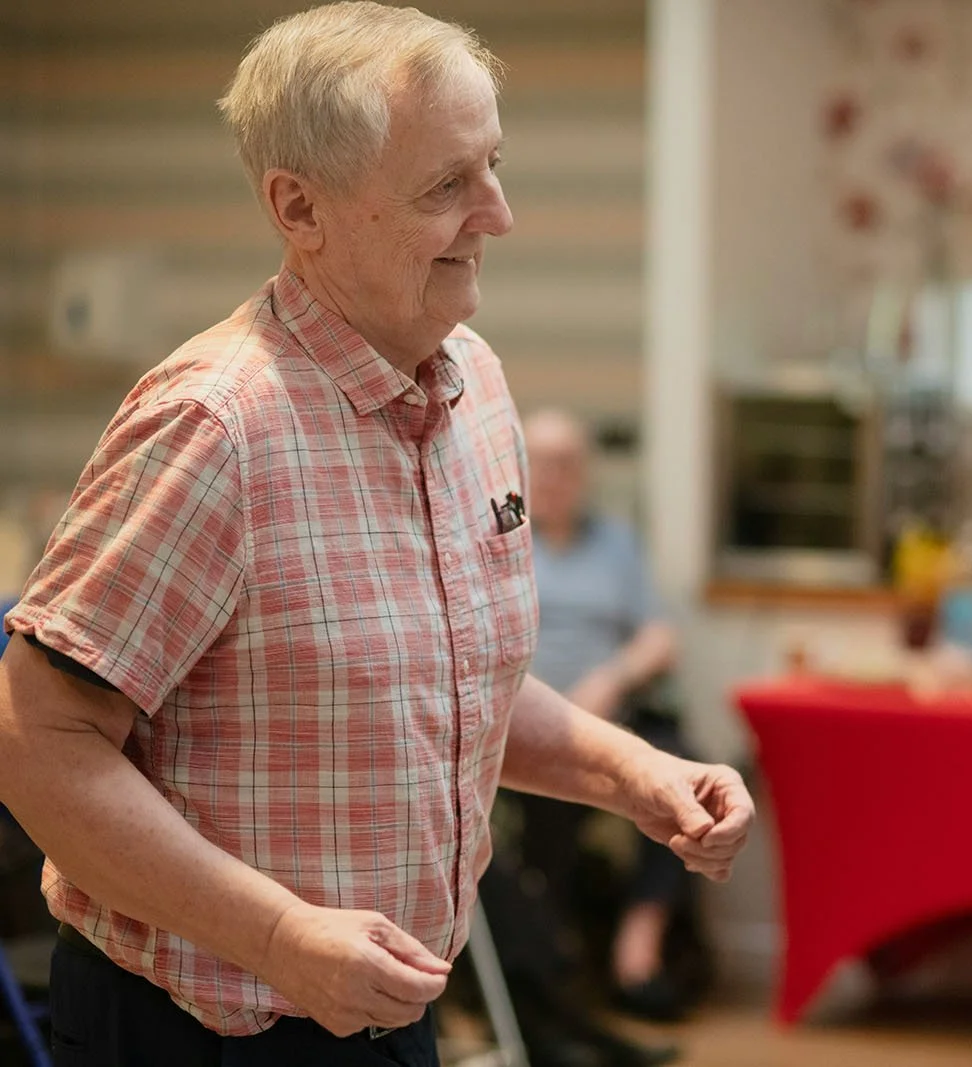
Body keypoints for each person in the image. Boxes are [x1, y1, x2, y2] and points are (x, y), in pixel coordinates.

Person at [0, 6, 752, 1065]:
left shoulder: (474, 382)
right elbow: (37, 744)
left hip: (386, 1007)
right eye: (447, 185)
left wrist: (633, 775)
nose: (498, 212)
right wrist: (279, 933)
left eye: (492, 165)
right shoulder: (212, 425)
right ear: (298, 207)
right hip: (204, 1028)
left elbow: (443, 678)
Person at [477, 410, 705, 1063]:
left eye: (567, 463)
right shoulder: (500, 534)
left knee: (684, 769)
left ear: (585, 474)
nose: (553, 477)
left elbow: (660, 635)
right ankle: (557, 990)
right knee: (542, 810)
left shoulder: (616, 543)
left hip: (610, 715)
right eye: (540, 462)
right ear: (518, 466)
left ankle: (639, 949)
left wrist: (613, 675)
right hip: (524, 728)